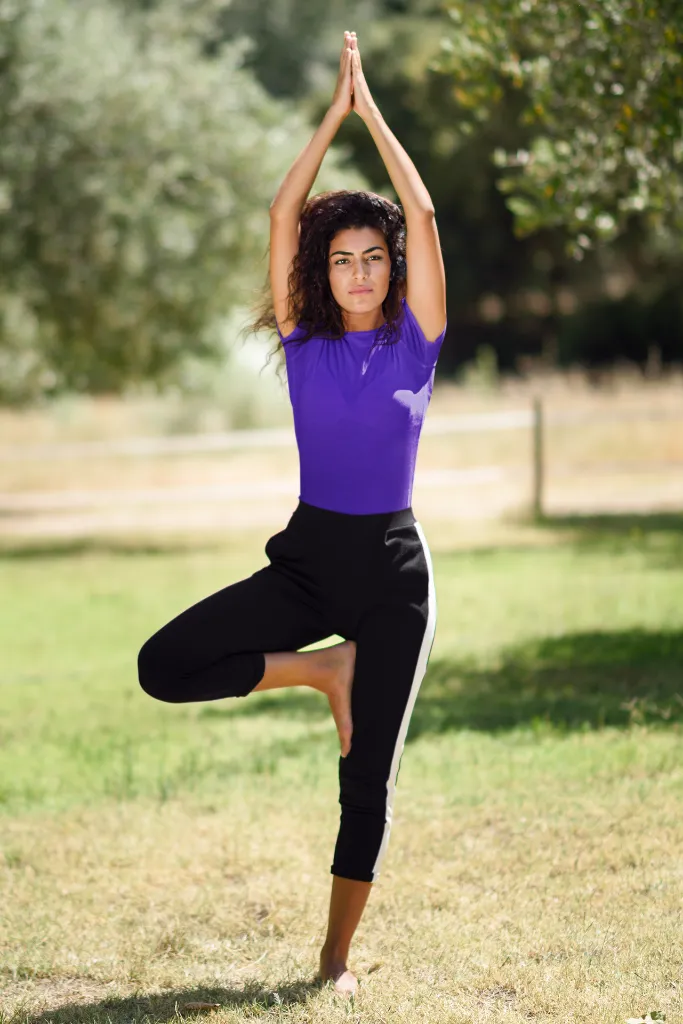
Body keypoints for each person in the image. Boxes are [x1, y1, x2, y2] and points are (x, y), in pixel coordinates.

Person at [137, 29, 447, 998]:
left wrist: (374, 115)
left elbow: (422, 209)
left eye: (372, 259)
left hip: (392, 572)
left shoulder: (418, 344)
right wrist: (331, 114)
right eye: (342, 259)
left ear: (392, 268)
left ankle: (332, 961)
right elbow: (283, 209)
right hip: (309, 559)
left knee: (368, 782)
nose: (357, 272)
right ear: (326, 269)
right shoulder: (304, 340)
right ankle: (321, 669)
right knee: (162, 665)